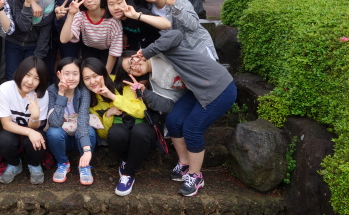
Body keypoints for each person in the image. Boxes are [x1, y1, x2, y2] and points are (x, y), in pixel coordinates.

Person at [118, 29, 236, 196]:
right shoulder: (154, 82)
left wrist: (147, 51)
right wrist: (145, 93)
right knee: (173, 120)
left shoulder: (162, 52)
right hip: (196, 92)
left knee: (192, 129)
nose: (133, 66)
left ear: (137, 54)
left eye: (132, 60)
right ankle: (185, 163)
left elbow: (176, 35)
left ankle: (195, 176)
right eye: (129, 69)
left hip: (219, 87)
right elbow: (168, 105)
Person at [80, 58, 148, 196]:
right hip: (121, 130)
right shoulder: (90, 99)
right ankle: (126, 161)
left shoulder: (120, 82)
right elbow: (104, 134)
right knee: (115, 133)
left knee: (140, 132)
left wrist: (113, 97)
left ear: (103, 73)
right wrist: (108, 115)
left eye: (95, 76)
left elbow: (141, 112)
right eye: (87, 78)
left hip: (141, 127)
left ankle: (128, 174)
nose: (92, 81)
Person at [133, 0, 217, 60]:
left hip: (197, 48)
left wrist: (173, 6)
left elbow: (193, 25)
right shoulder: (147, 10)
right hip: (177, 56)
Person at [0, 57, 49, 184]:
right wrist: (29, 132)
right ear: (20, 72)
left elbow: (35, 128)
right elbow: (6, 124)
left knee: (39, 138)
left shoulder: (41, 94)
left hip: (32, 128)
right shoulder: (5, 88)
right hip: (11, 129)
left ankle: (34, 164)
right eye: (28, 75)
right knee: (3, 140)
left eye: (36, 78)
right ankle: (14, 164)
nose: (30, 82)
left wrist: (35, 116)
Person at [46, 58, 96, 185]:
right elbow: (55, 122)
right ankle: (63, 163)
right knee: (53, 132)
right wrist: (61, 94)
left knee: (89, 130)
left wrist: (87, 150)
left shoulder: (83, 91)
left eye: (75, 74)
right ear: (58, 74)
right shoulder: (52, 91)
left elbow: (83, 119)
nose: (71, 78)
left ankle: (84, 165)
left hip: (81, 138)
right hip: (62, 139)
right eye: (67, 74)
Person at [5, 0, 55, 80]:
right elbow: (23, 26)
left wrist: (37, 58)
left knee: (31, 79)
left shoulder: (48, 1)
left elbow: (45, 33)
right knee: (12, 78)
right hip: (14, 42)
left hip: (34, 45)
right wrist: (28, 3)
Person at [60, 0, 122, 74]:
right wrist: (71, 14)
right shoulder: (80, 15)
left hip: (108, 52)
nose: (89, 0)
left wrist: (106, 75)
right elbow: (64, 39)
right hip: (88, 50)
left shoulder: (113, 20)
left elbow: (114, 51)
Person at [104, 0, 171, 51]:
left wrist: (137, 16)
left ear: (127, 1)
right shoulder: (112, 19)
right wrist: (123, 34)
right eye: (111, 4)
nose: (116, 8)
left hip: (155, 47)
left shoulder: (137, 11)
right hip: (135, 48)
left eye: (119, 3)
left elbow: (167, 24)